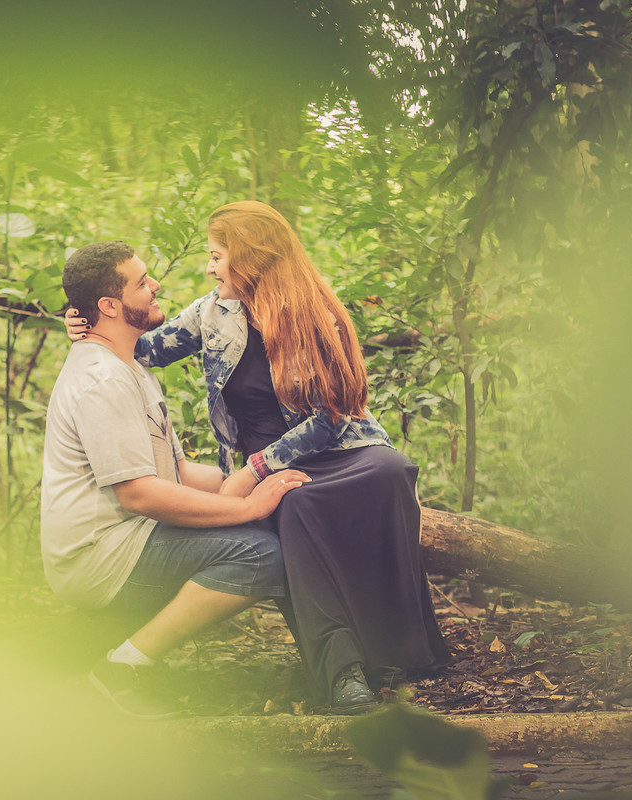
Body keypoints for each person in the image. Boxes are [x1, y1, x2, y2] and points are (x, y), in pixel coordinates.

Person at [65, 202, 450, 713]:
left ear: (252, 259)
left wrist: (255, 469)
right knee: (296, 506)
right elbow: (144, 348)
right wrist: (86, 321)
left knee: (391, 470)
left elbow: (331, 418)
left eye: (217, 256)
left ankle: (397, 646)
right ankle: (342, 672)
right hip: (268, 466)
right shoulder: (212, 313)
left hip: (335, 447)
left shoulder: (317, 315)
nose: (210, 267)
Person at [42, 240, 311, 719]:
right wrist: (248, 507)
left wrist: (253, 475)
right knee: (260, 554)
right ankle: (121, 669)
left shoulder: (130, 366)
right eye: (142, 282)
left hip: (130, 536)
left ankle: (330, 665)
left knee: (267, 529)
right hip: (100, 554)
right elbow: (140, 494)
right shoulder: (102, 379)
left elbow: (178, 473)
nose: (155, 285)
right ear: (109, 306)